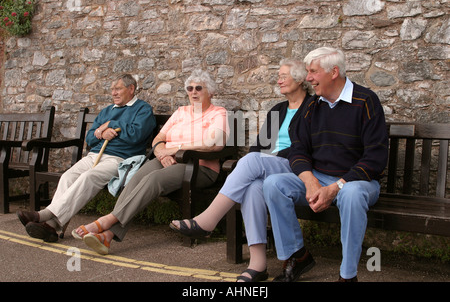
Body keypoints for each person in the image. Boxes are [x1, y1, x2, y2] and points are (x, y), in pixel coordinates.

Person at [170, 59, 312, 282]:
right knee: (252, 187)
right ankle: (258, 265)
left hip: (296, 169)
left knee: (253, 161)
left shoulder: (313, 109)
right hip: (268, 168)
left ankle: (208, 220)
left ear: (301, 79)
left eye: (284, 76)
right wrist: (263, 160)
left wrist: (266, 160)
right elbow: (259, 146)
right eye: (279, 75)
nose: (279, 80)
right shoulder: (279, 110)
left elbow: (308, 148)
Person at [263, 47, 389, 282]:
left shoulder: (366, 101)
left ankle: (347, 275)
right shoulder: (314, 105)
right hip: (319, 178)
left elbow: (375, 159)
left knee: (350, 195)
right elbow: (298, 148)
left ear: (333, 72)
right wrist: (310, 181)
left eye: (313, 72)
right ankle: (297, 256)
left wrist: (336, 187)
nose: (308, 77)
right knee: (273, 184)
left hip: (359, 182)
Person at [72, 69, 229, 255]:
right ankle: (107, 237)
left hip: (199, 167)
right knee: (136, 178)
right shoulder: (181, 112)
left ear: (209, 92)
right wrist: (163, 153)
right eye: (190, 88)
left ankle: (107, 221)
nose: (193, 92)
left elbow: (215, 144)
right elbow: (159, 139)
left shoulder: (218, 113)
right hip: (168, 159)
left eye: (198, 88)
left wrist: (174, 150)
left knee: (153, 180)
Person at [17, 74, 156, 243]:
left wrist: (111, 125)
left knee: (88, 177)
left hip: (120, 160)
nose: (114, 93)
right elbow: (90, 139)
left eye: (118, 89)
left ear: (131, 89)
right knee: (68, 176)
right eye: (112, 89)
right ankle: (52, 227)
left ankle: (44, 215)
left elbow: (137, 135)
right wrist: (102, 133)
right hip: (94, 155)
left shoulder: (143, 109)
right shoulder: (107, 111)